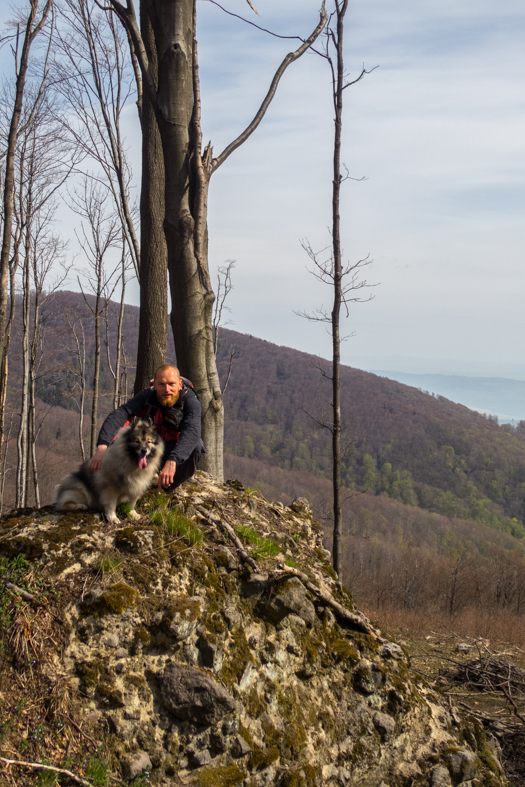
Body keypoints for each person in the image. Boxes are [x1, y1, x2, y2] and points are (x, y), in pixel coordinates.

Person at [90, 363, 204, 490]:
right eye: (161, 384)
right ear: (154, 385)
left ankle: (167, 488)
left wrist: (173, 460)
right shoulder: (148, 396)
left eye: (171, 384)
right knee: (124, 439)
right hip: (146, 450)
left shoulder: (190, 402)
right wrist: (102, 447)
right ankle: (122, 484)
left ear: (180, 385)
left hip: (172, 451)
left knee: (197, 446)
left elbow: (192, 431)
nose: (167, 389)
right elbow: (121, 414)